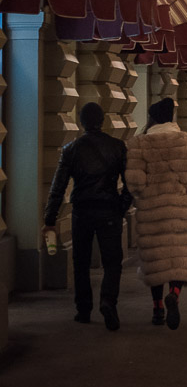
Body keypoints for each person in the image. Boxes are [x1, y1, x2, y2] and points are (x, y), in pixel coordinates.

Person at [42, 102, 130, 330]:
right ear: (102, 121)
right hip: (109, 210)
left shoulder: (71, 149)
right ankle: (108, 301)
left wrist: (50, 219)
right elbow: (130, 183)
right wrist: (121, 207)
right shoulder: (117, 147)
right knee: (112, 261)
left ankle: (83, 309)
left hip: (82, 211)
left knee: (80, 262)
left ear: (81, 122)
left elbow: (58, 186)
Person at [126, 98, 187, 330]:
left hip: (152, 211)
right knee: (179, 257)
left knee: (155, 261)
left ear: (152, 118)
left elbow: (135, 183)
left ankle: (158, 307)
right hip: (182, 210)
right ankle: (175, 294)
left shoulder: (140, 144)